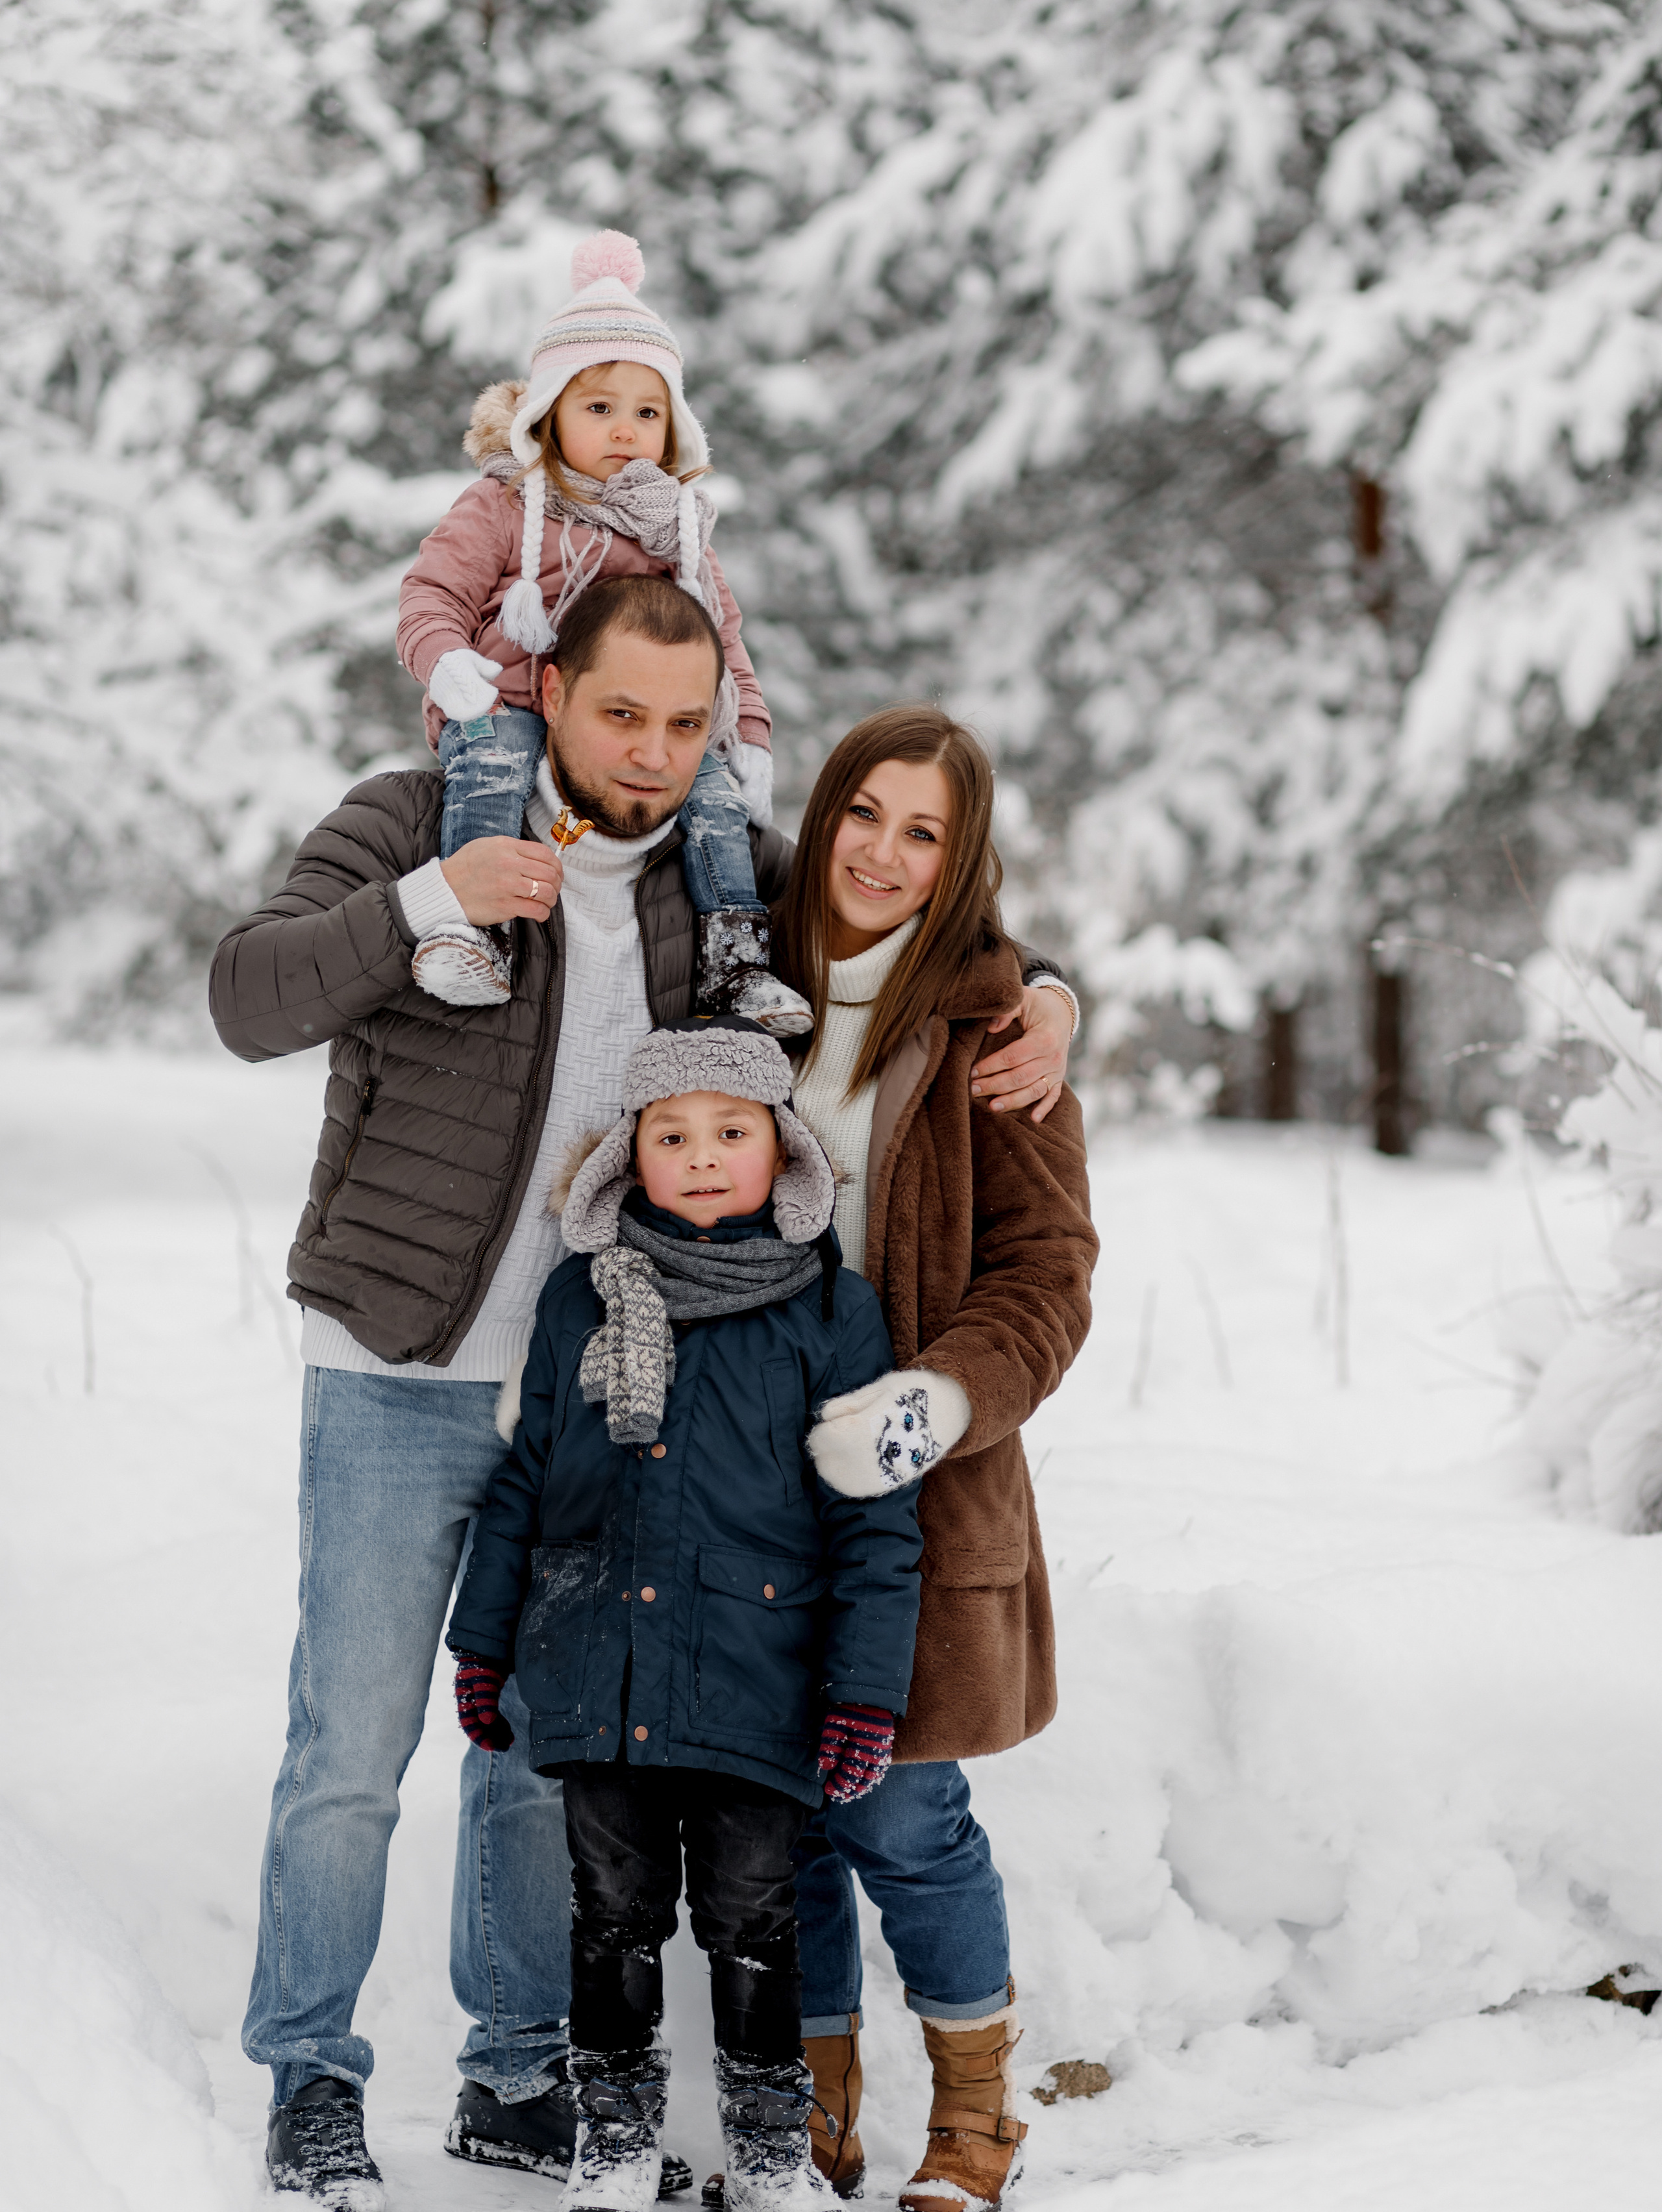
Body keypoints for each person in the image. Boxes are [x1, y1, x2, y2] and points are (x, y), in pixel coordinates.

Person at [208, 572, 1077, 2208]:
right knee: (349, 1742)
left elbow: (904, 919)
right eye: (621, 711)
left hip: (605, 1383)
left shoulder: (716, 870)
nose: (655, 749)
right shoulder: (412, 816)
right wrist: (427, 899)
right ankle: (309, 2074)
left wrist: (1045, 999)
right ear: (544, 689)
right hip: (400, 1368)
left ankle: (518, 2071)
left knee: (540, 1748)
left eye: (688, 722)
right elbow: (245, 992)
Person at [445, 1015, 923, 2212]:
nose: (702, 1154)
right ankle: (611, 2141)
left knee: (755, 1912)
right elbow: (524, 1481)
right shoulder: (579, 1300)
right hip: (596, 1669)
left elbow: (873, 1521)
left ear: (785, 1152)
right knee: (610, 1911)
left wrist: (864, 1690)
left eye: (732, 1129)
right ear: (627, 1160)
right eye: (671, 1133)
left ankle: (770, 2150)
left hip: (755, 1674)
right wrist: (484, 1644)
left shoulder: (831, 1312)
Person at [773, 706, 1098, 2212]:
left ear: (961, 861)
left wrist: (936, 1399)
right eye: (867, 812)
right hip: (732, 1475)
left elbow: (1046, 1274)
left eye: (927, 833)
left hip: (911, 1482)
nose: (884, 853)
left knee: (899, 1804)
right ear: (823, 804)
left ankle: (975, 2112)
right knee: (778, 1807)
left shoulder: (993, 1037)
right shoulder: (736, 977)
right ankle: (813, 2097)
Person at [397, 227, 808, 1036]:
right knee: (495, 765)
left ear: (674, 428)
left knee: (715, 802)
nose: (625, 429)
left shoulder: (679, 533)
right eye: (599, 407)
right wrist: (446, 662)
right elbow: (429, 593)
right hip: (508, 700)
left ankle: (736, 961)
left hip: (630, 726)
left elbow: (723, 645)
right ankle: (475, 928)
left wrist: (748, 732)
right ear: (550, 415)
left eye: (647, 412)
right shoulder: (505, 504)